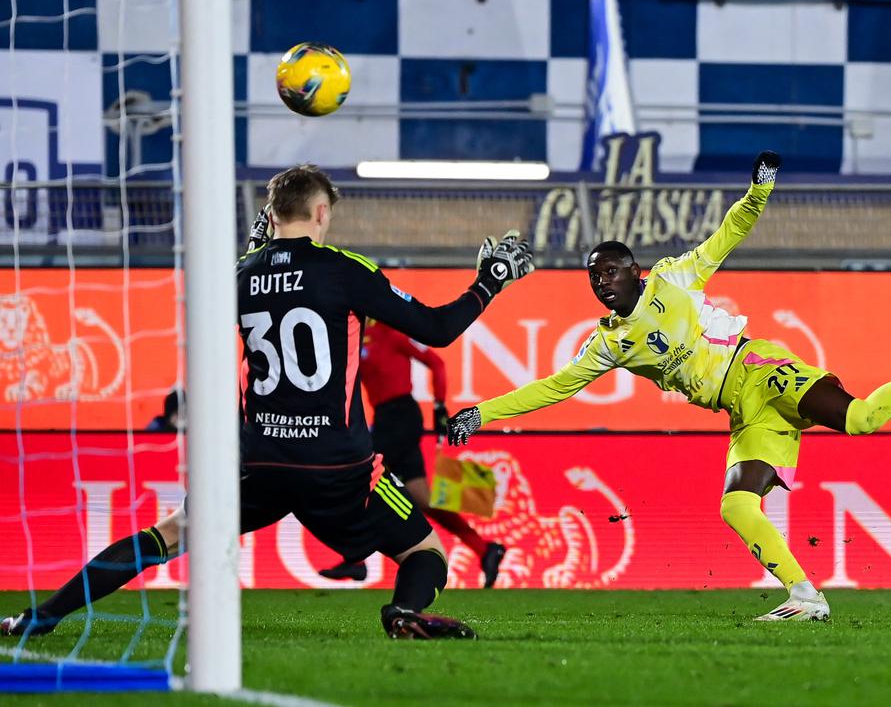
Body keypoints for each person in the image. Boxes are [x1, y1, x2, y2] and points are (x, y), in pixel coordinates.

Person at [447, 152, 891, 622]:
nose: (600, 283)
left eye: (610, 272)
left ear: (634, 270)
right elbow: (552, 388)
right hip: (745, 413)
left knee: (860, 419)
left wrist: (759, 191)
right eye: (592, 276)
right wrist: (480, 411)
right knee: (735, 505)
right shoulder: (608, 343)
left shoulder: (674, 280)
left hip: (761, 371)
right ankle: (807, 596)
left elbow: (728, 235)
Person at [1, 164, 534, 640]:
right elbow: (437, 331)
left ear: (271, 213)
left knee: (161, 537)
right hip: (340, 466)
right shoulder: (345, 269)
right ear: (322, 212)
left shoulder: (240, 274)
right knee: (424, 552)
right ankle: (403, 612)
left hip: (256, 461)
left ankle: (39, 619)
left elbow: (222, 331)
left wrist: (254, 254)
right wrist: (490, 282)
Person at [319, 320, 506, 587]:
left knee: (359, 476)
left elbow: (436, 363)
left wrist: (440, 405)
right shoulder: (353, 335)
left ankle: (356, 559)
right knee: (422, 498)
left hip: (400, 416)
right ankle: (485, 549)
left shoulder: (390, 330)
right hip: (385, 418)